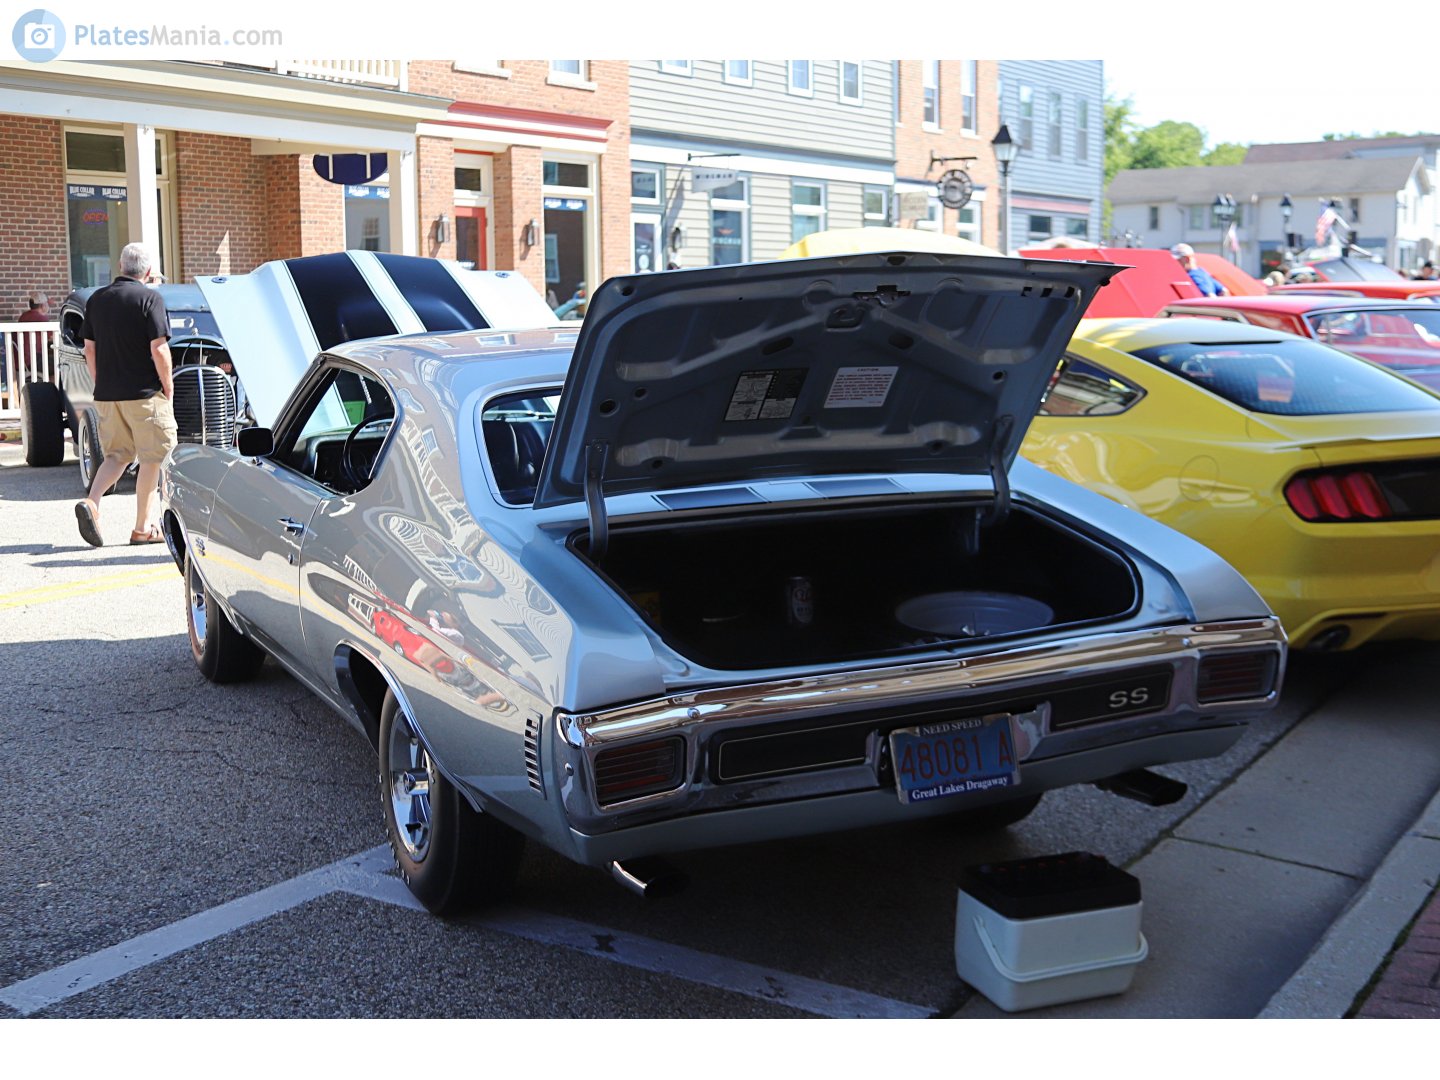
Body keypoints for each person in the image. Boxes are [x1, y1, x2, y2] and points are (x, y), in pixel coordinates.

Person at [73, 243, 177, 547]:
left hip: (107, 394)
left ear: (121, 266)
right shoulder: (150, 298)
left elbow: (88, 348)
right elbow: (159, 349)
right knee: (153, 456)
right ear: (147, 271)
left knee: (117, 456)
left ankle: (92, 502)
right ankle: (142, 529)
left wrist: (100, 381)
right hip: (143, 394)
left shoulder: (97, 300)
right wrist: (168, 387)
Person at [16, 290, 50, 383]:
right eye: (47, 304)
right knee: (61, 364)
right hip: (31, 360)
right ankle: (53, 392)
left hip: (20, 360)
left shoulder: (23, 316)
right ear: (43, 306)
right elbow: (53, 338)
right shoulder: (41, 318)